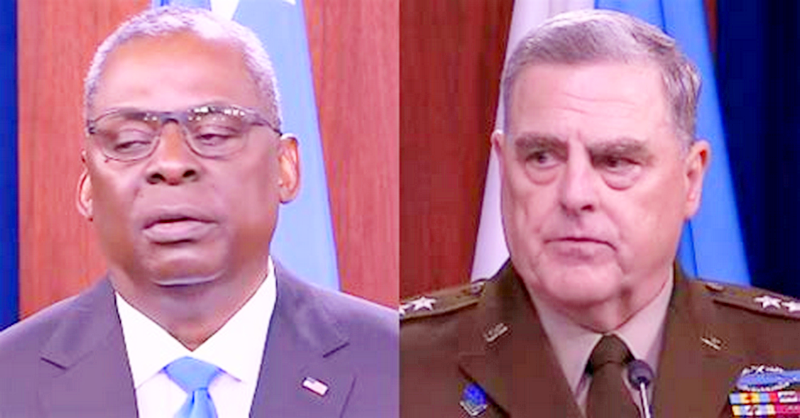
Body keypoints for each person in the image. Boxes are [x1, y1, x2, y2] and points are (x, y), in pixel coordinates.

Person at [0, 7, 397, 418]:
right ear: (87, 188)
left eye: (213, 133)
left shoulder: (398, 366)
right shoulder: (8, 382)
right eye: (131, 140)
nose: (171, 163)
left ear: (285, 168)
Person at [401, 9, 800, 418]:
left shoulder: (789, 352)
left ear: (691, 179)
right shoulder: (393, 366)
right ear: (504, 168)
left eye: (615, 161)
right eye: (542, 157)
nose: (575, 195)